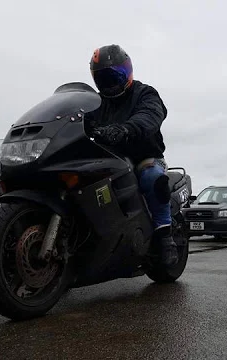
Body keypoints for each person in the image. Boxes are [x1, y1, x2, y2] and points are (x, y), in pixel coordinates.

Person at [87, 44, 177, 265]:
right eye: (104, 78)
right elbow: (78, 117)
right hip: (107, 160)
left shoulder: (144, 93)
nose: (111, 82)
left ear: (128, 71)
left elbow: (151, 115)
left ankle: (165, 237)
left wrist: (126, 129)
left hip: (142, 157)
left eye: (115, 76)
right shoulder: (96, 103)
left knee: (152, 177)